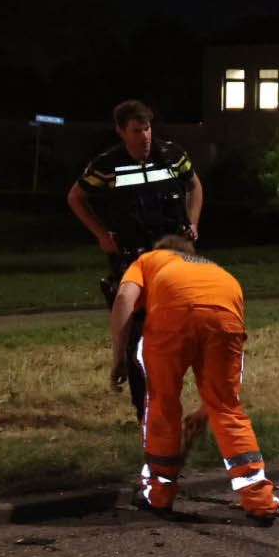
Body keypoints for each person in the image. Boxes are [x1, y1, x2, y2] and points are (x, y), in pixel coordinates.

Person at [109, 234, 279, 518]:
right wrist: (205, 410)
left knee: (162, 403)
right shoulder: (216, 271)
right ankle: (259, 499)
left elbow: (125, 298)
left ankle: (159, 494)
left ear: (162, 251)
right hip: (225, 315)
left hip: (171, 319)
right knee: (228, 408)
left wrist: (119, 357)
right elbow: (228, 359)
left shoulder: (148, 259)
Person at [68, 99, 204, 417]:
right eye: (136, 130)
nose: (144, 136)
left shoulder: (172, 155)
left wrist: (193, 222)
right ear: (121, 132)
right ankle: (143, 403)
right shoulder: (107, 164)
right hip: (134, 257)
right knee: (136, 329)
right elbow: (75, 197)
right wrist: (102, 234)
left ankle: (175, 393)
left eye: (147, 128)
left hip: (174, 256)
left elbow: (195, 186)